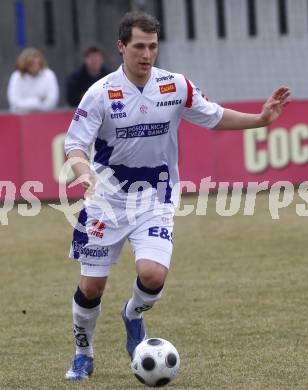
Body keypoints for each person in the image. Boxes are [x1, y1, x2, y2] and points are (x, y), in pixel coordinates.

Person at [64, 11, 290, 380]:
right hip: (106, 201)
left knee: (152, 275)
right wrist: (83, 171)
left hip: (155, 198)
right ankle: (82, 353)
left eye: (153, 46)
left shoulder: (176, 86)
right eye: (139, 46)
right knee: (91, 286)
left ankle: (133, 315)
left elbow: (214, 116)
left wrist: (261, 119)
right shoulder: (100, 93)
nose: (147, 54)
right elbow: (74, 145)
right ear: (121, 47)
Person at [7, 48, 59, 113]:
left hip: (44, 117)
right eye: (31, 64)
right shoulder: (16, 76)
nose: (35, 66)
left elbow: (52, 102)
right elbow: (15, 103)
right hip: (20, 119)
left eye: (38, 63)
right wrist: (38, 100)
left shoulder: (49, 75)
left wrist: (25, 102)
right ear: (25, 64)